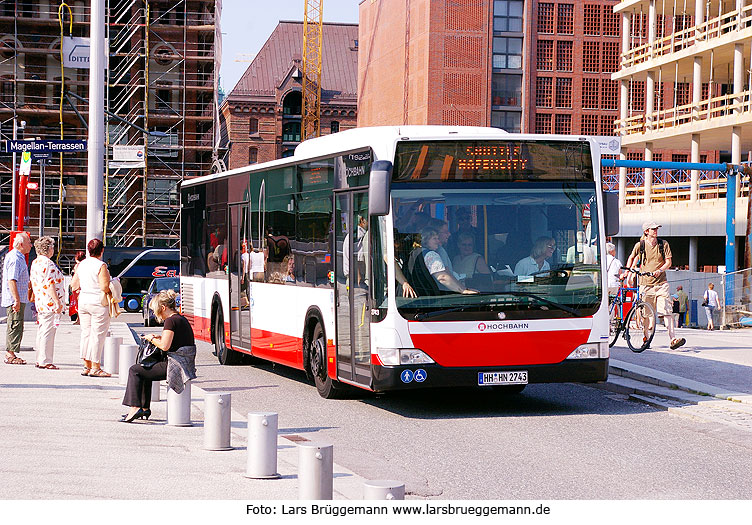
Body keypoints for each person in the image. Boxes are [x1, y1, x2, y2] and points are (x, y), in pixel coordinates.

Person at [121, 290, 196, 423]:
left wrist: (151, 338)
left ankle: (135, 407)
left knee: (135, 370)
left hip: (176, 365)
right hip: (184, 363)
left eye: (156, 310)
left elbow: (164, 346)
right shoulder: (180, 319)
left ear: (163, 307)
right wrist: (160, 337)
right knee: (145, 368)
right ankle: (144, 408)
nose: (155, 314)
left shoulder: (170, 321)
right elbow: (176, 340)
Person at [625, 221, 686, 350]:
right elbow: (631, 257)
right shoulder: (640, 245)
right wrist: (627, 271)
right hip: (645, 284)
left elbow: (668, 262)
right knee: (646, 314)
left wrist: (660, 270)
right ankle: (646, 338)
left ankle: (673, 338)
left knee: (667, 310)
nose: (655, 231)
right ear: (646, 231)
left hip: (661, 283)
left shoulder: (663, 244)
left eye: (656, 228)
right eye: (653, 229)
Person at [71, 238, 113, 377]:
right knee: (97, 335)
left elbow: (74, 285)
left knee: (86, 334)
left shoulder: (81, 265)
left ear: (88, 250)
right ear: (102, 250)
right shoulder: (101, 266)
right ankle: (96, 367)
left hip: (83, 301)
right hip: (98, 303)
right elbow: (104, 287)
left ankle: (86, 366)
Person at [29, 236, 65, 370]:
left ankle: (40, 358)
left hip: (40, 301)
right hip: (49, 302)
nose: (53, 250)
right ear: (48, 249)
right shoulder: (48, 264)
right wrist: (57, 301)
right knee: (48, 332)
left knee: (42, 331)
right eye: (52, 247)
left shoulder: (36, 263)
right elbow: (50, 283)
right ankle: (45, 360)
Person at [409, 227, 477, 294]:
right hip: (430, 295)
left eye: (438, 238)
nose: (438, 241)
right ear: (425, 240)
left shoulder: (414, 252)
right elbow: (442, 277)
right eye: (434, 239)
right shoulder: (431, 255)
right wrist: (463, 290)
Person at [2, 232, 32, 365]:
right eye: (29, 242)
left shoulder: (18, 257)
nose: (31, 245)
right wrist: (17, 300)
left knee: (17, 324)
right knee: (15, 324)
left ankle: (12, 353)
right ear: (21, 244)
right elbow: (12, 280)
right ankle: (10, 354)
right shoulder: (15, 258)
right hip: (15, 298)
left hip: (18, 297)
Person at [68, 250, 86, 323]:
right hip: (81, 286)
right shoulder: (85, 265)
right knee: (80, 304)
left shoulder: (77, 266)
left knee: (78, 304)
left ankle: (79, 320)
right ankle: (79, 319)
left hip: (76, 286)